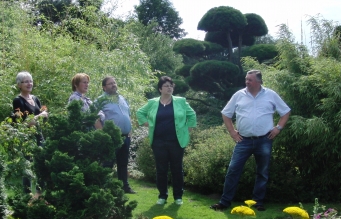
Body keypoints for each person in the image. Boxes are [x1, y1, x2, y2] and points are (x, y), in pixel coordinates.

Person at [210, 70, 291, 211]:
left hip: (264, 140)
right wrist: (232, 132)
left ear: (259, 82)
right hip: (243, 141)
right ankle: (224, 202)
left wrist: (278, 128)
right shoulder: (239, 95)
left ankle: (257, 202)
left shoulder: (271, 95)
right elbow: (225, 113)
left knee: (262, 172)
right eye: (246, 79)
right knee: (233, 170)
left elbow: (285, 111)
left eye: (250, 80)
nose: (247, 82)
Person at [137, 76, 197, 205]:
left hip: (176, 141)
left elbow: (192, 114)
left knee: (177, 169)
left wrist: (188, 128)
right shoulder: (152, 102)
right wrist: (147, 123)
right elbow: (140, 113)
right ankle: (162, 196)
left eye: (171, 85)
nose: (169, 88)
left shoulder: (181, 101)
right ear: (160, 89)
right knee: (161, 169)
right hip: (158, 142)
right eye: (166, 86)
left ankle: (178, 197)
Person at [96, 76, 136, 194]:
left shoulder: (122, 98)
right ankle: (103, 187)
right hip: (111, 137)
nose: (113, 85)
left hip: (125, 136)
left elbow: (127, 114)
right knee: (107, 163)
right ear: (104, 87)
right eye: (110, 83)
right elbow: (95, 118)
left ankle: (124, 186)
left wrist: (130, 129)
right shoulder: (100, 100)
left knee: (123, 163)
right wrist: (103, 133)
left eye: (114, 82)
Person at [12, 71, 48, 193]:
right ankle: (26, 196)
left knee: (42, 164)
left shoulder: (35, 98)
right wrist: (40, 116)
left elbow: (40, 120)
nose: (29, 84)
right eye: (26, 81)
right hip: (27, 137)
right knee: (28, 167)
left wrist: (44, 117)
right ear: (19, 85)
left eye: (30, 81)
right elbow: (24, 123)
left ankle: (39, 195)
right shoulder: (18, 101)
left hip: (39, 135)